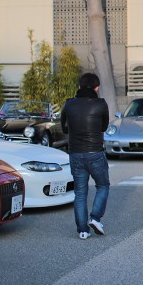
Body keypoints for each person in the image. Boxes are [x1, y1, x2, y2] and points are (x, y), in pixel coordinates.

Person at [61, 73, 110, 239]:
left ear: (79, 86)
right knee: (102, 185)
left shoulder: (69, 104)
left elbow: (64, 128)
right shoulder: (101, 104)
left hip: (75, 153)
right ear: (97, 88)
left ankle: (83, 230)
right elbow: (103, 127)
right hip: (95, 152)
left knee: (80, 192)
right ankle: (95, 218)